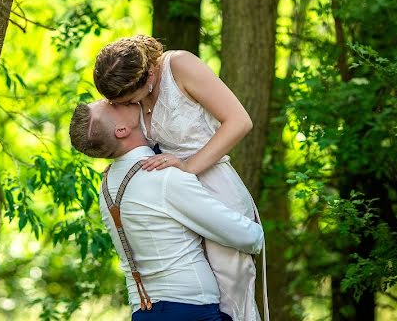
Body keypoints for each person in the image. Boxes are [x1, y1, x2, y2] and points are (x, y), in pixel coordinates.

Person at [93, 35, 267, 321]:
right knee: (202, 296)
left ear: (148, 74)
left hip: (214, 189)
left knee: (231, 296)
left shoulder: (180, 66)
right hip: (175, 202)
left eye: (128, 100)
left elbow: (239, 121)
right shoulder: (129, 85)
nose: (126, 106)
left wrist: (188, 167)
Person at [69, 100, 264, 320]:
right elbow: (246, 237)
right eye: (111, 105)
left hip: (142, 312)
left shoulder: (105, 187)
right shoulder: (162, 176)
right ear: (121, 130)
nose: (116, 99)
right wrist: (256, 230)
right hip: (191, 311)